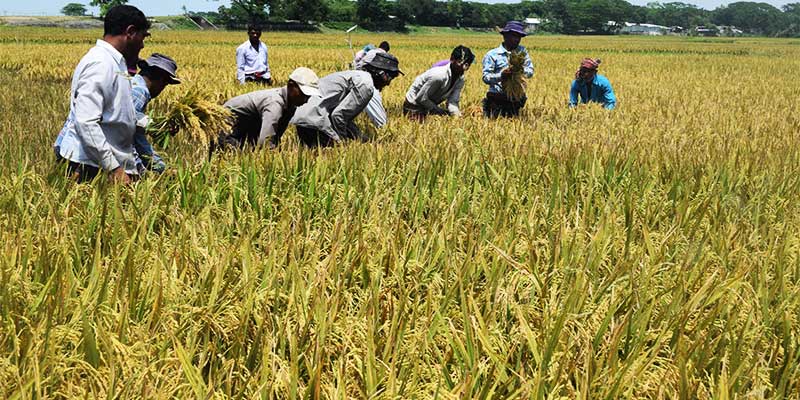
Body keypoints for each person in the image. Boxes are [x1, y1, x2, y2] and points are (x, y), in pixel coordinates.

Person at [53, 5, 150, 183]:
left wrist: (152, 125)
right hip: (90, 168)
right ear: (130, 32)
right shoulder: (101, 64)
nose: (143, 44)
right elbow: (87, 122)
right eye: (143, 37)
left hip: (103, 164)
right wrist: (113, 168)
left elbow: (116, 113)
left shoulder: (116, 62)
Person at [292, 52, 402, 148]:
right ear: (381, 74)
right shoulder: (366, 86)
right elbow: (338, 116)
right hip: (315, 120)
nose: (388, 83)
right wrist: (342, 141)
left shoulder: (357, 76)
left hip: (305, 117)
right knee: (330, 157)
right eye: (390, 78)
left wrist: (360, 137)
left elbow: (345, 118)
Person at [215, 67, 321, 151]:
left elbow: (276, 135)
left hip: (246, 125)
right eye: (304, 94)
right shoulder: (275, 104)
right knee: (237, 154)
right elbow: (266, 142)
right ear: (291, 85)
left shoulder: (291, 105)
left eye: (308, 96)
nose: (306, 100)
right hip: (225, 126)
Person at [131, 53, 182, 174]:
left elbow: (137, 139)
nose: (162, 88)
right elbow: (124, 127)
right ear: (160, 78)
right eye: (165, 83)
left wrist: (160, 168)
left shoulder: (132, 84)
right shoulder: (139, 91)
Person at [404, 45, 474, 120]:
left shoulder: (460, 79)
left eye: (466, 65)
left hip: (428, 105)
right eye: (460, 62)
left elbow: (453, 101)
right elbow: (421, 98)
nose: (463, 67)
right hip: (413, 104)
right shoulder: (439, 76)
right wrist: (439, 111)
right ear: (452, 59)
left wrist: (456, 115)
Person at [481, 21, 534, 118]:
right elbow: (486, 78)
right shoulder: (492, 55)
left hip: (516, 99)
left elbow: (530, 71)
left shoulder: (522, 52)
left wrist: (519, 71)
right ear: (505, 36)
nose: (517, 39)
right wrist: (501, 76)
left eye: (519, 37)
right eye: (514, 36)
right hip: (497, 98)